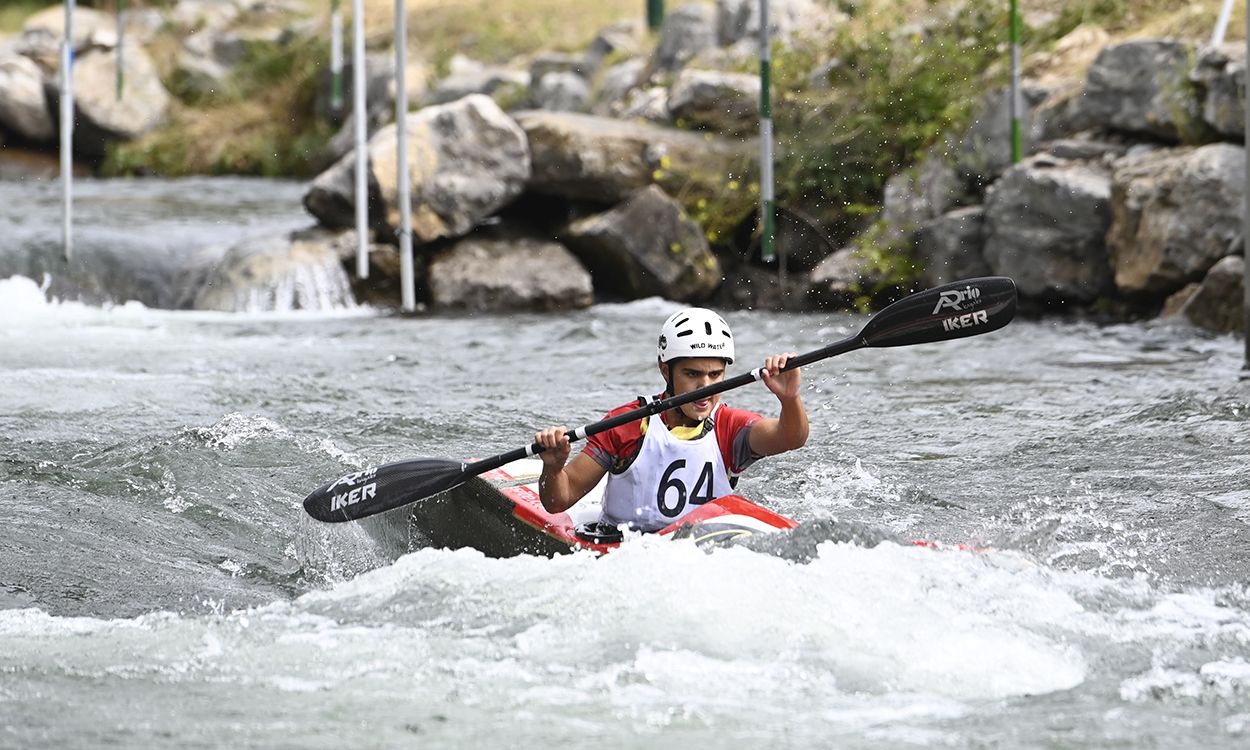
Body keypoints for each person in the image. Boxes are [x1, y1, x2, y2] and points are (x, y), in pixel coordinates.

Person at [534, 307, 808, 532]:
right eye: (692, 374)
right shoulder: (627, 425)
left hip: (698, 551)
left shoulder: (729, 426)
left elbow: (790, 438)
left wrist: (790, 398)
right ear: (666, 371)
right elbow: (559, 501)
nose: (705, 387)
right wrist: (553, 468)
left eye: (715, 375)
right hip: (627, 548)